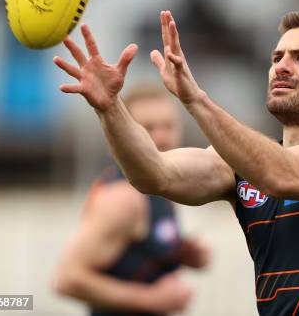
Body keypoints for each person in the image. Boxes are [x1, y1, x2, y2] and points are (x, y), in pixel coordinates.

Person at [53, 10, 299, 315]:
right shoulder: (241, 166)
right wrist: (110, 108)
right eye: (277, 57)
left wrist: (195, 99)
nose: (281, 66)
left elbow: (287, 175)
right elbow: (155, 174)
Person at [54, 84, 210, 316]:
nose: (162, 136)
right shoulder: (123, 199)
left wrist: (184, 254)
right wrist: (152, 300)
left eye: (168, 126)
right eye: (148, 127)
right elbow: (67, 279)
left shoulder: (160, 183)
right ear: (125, 132)